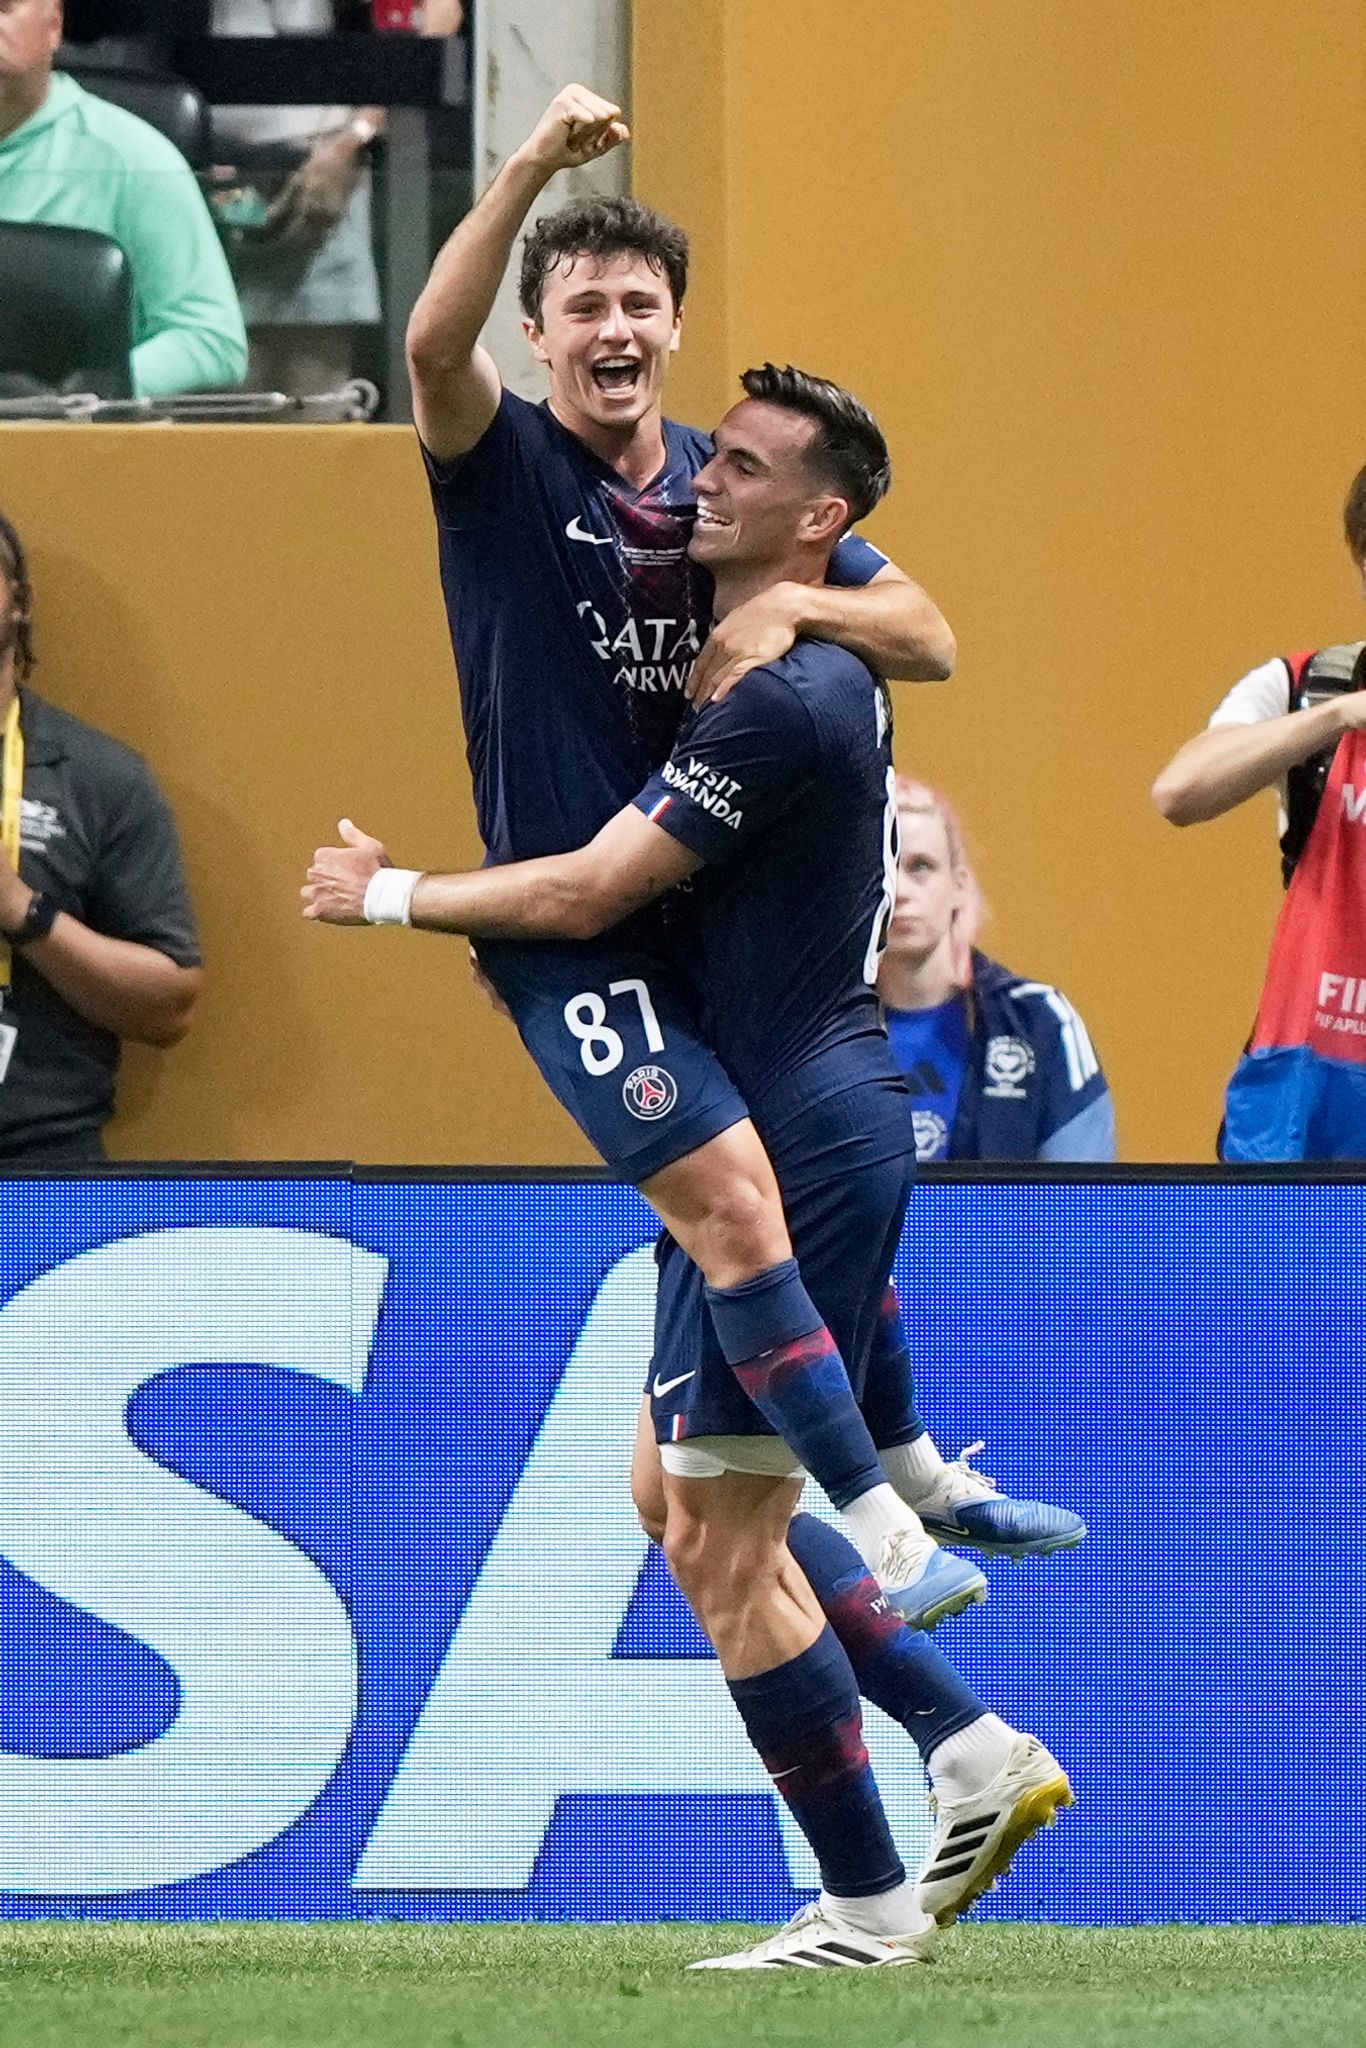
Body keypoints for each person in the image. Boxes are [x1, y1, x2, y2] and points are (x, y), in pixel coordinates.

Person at [303, 366, 1073, 1969]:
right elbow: (916, 626)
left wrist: (389, 899)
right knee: (670, 1494)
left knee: (721, 1542)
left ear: (821, 523)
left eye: (739, 468)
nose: (698, 484)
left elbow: (589, 894)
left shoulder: (786, 700)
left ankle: (878, 1870)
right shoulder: (786, 627)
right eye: (707, 454)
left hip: (798, 1127)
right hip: (793, 1108)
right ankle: (955, 1728)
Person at [392, 81, 1049, 1629]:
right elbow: (428, 346)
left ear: (672, 325)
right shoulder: (501, 466)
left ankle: (916, 1568)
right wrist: (531, 167)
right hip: (575, 924)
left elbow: (929, 633)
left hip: (685, 919)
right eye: (579, 306)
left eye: (638, 300)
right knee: (743, 1220)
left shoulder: (721, 485)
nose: (611, 327)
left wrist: (789, 604)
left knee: (744, 1281)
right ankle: (888, 1504)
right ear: (541, 334)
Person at [1152, 464, 1366, 1159]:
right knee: (1280, 1269)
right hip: (1313, 1079)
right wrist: (1337, 716)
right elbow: (1180, 792)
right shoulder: (1306, 686)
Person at [0, 511, 202, 1162]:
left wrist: (23, 914)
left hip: (39, 1167)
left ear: (21, 601)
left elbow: (169, 1007)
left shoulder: (98, 777)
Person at [208, 0, 459, 395]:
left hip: (321, 174)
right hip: (213, 174)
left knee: (315, 398)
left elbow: (440, 13)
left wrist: (357, 134)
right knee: (218, 396)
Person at [0, 0, 247, 396]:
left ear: (54, 25)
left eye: (3, 8)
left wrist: (86, 396)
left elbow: (211, 340)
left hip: (78, 445)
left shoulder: (133, 159)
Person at [879, 780, 1115, 1166]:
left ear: (959, 887)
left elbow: (1086, 1209)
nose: (899, 890)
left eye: (921, 866)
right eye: (883, 870)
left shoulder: (1039, 1021)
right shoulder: (813, 1031)